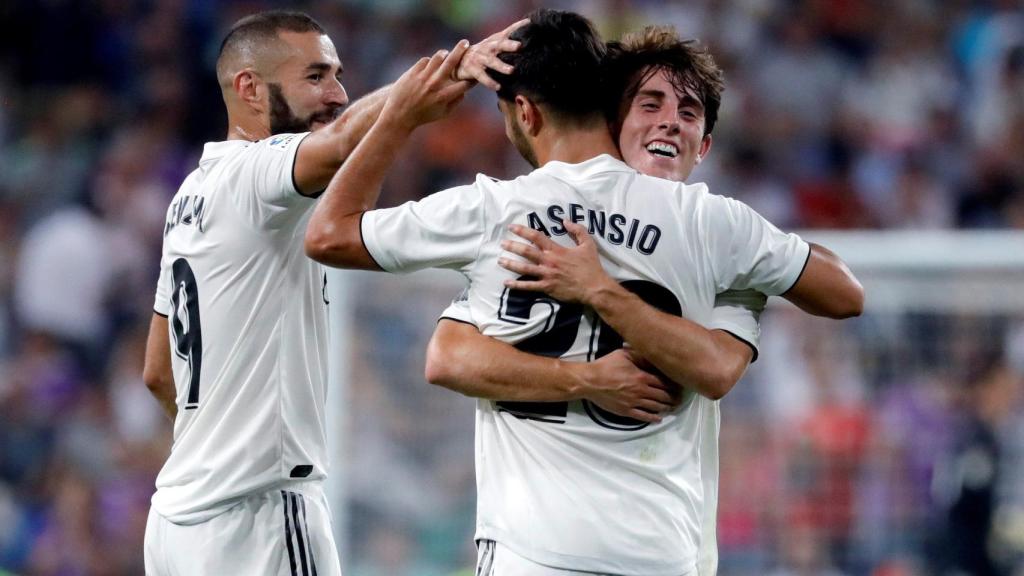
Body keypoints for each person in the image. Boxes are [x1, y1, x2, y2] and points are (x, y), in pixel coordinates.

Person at [303, 9, 862, 576]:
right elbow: (843, 295)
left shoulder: (493, 212)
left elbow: (329, 236)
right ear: (612, 109)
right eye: (653, 105)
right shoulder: (711, 225)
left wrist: (401, 112)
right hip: (659, 551)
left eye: (685, 113)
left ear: (524, 111)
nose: (669, 123)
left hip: (533, 550)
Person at [140, 9, 515, 575]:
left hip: (176, 523)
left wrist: (215, 448)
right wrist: (441, 76)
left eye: (338, 75)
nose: (337, 94)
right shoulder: (255, 175)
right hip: (259, 516)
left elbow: (157, 372)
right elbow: (341, 142)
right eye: (315, 77)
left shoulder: (189, 198)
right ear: (249, 88)